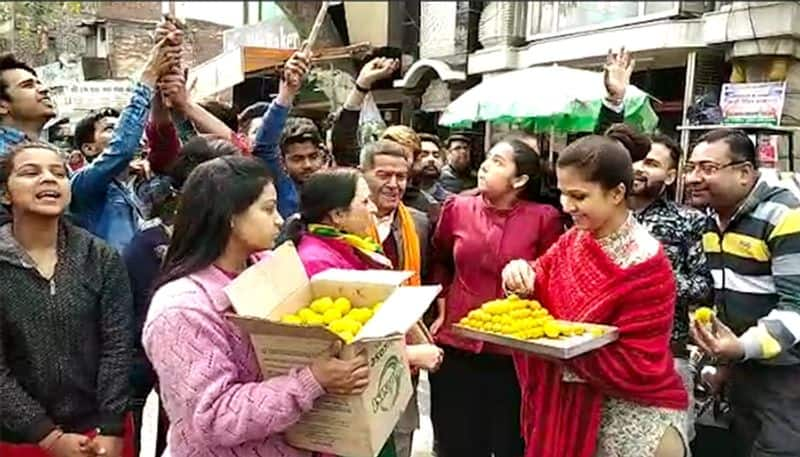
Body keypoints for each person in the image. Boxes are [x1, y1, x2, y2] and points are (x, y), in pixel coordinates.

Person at [143, 156, 369, 457]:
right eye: (267, 208)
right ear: (230, 217)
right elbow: (214, 417)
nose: (280, 219)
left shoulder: (269, 269)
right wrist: (311, 380)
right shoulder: (182, 309)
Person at [502, 135, 689, 457]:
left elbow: (637, 362)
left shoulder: (645, 263)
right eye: (562, 194)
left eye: (579, 196)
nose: (566, 206)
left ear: (617, 193)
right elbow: (540, 278)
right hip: (569, 403)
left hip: (634, 418)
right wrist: (519, 274)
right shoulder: (575, 239)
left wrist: (564, 347)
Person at [282, 167, 443, 457]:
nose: (372, 209)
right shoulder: (319, 263)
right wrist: (410, 356)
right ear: (337, 215)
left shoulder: (346, 249)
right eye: (364, 202)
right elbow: (338, 349)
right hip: (342, 420)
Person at [429, 136, 563, 457]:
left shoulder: (545, 217)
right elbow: (440, 260)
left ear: (520, 180)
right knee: (455, 443)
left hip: (514, 354)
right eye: (487, 158)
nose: (485, 166)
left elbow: (554, 272)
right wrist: (442, 307)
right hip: (458, 343)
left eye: (498, 162)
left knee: (510, 444)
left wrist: (530, 272)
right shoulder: (457, 208)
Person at [0, 142, 134, 457]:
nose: (48, 179)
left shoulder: (100, 257)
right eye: (30, 172)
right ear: (5, 194)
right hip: (20, 439)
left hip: (101, 432)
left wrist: (112, 427)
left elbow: (117, 346)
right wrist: (47, 437)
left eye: (58, 173)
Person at [685, 128, 800, 457]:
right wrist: (724, 362)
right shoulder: (712, 222)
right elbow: (724, 297)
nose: (694, 178)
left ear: (745, 172)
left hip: (787, 374)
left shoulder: (785, 217)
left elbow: (797, 307)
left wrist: (740, 347)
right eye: (691, 167)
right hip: (742, 368)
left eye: (707, 168)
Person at [627, 132, 713, 439]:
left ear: (671, 175)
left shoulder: (688, 220)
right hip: (606, 355)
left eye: (651, 163)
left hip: (665, 355)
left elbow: (704, 286)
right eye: (634, 159)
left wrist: (656, 279)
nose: (638, 168)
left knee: (668, 442)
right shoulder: (599, 218)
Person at [69, 37, 180, 253]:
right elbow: (122, 149)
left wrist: (161, 80)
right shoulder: (83, 185)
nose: (124, 134)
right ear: (89, 148)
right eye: (111, 129)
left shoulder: (135, 186)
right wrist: (148, 74)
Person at [331, 56, 400, 168]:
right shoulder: (360, 180)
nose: (393, 183)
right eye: (383, 174)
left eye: (400, 176)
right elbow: (343, 143)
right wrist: (363, 84)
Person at [0, 54, 56, 155]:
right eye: (28, 85)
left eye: (39, 83)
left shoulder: (52, 154)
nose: (44, 89)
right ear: (2, 106)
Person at [416, 133, 452, 203]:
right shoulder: (398, 197)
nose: (431, 159)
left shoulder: (450, 202)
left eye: (436, 155)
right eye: (424, 155)